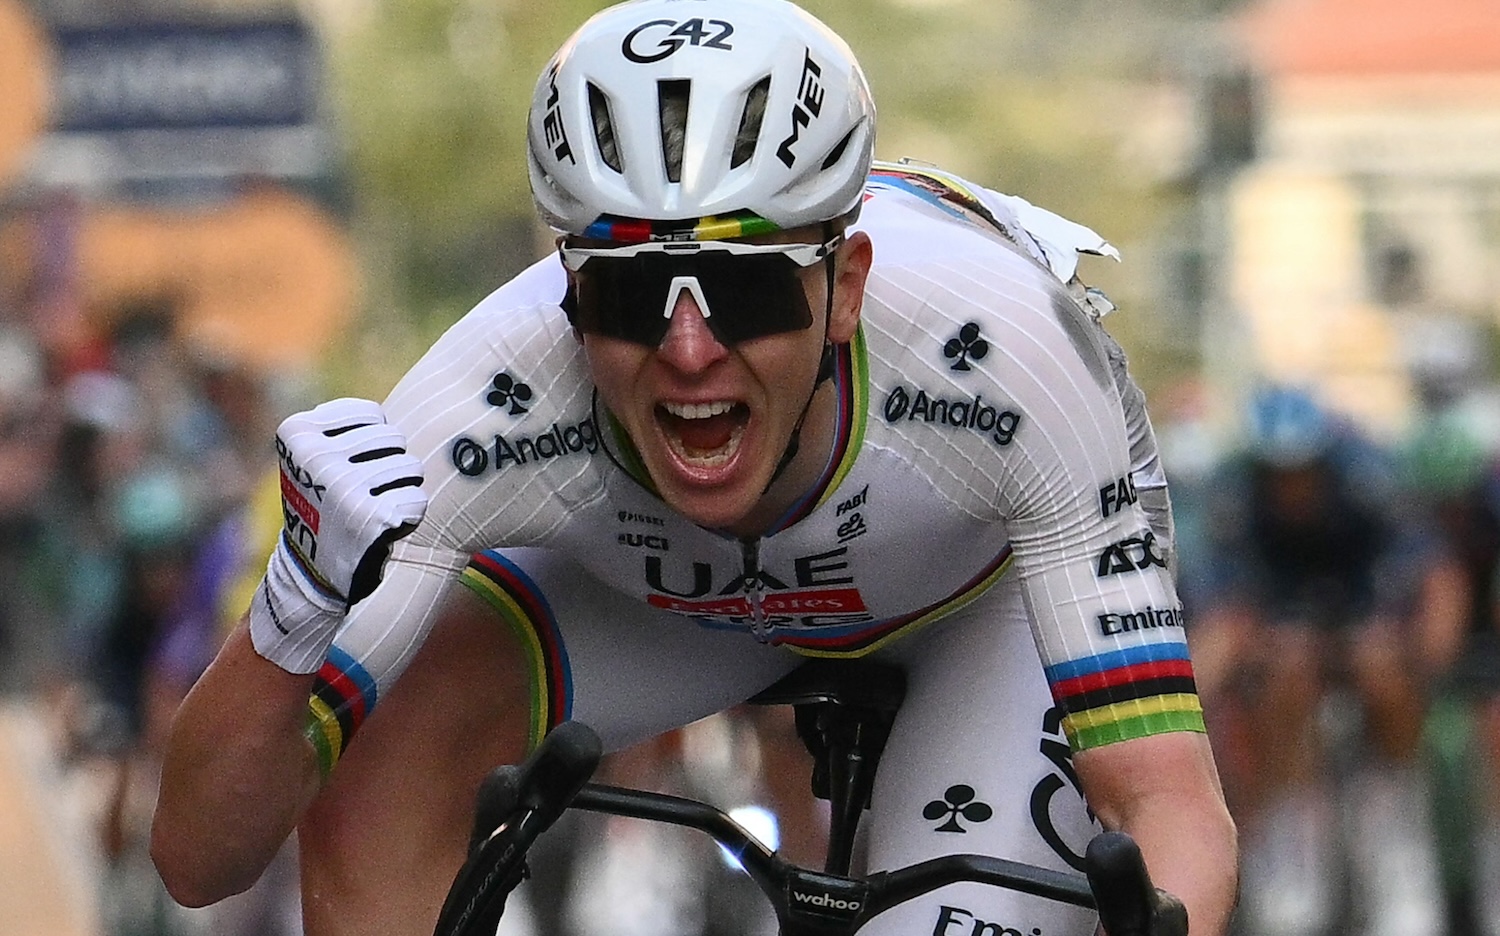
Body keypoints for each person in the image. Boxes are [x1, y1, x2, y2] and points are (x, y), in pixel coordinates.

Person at [151, 2, 1238, 935]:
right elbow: (198, 863)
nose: (687, 352)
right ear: (569, 295)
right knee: (374, 763)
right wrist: (287, 619)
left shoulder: (1012, 358)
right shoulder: (485, 405)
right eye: (629, 294)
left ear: (845, 284)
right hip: (657, 602)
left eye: (747, 290)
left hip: (972, 597)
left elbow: (1164, 801)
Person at [1186, 386, 1442, 936]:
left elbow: (1424, 568)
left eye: (1303, 470)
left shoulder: (1367, 482)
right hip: (1284, 626)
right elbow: (1226, 602)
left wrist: (1413, 642)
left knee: (1381, 666)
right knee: (1288, 668)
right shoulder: (1236, 497)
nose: (1291, 484)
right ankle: (1289, 820)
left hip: (1364, 612)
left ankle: (1392, 812)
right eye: (1277, 472)